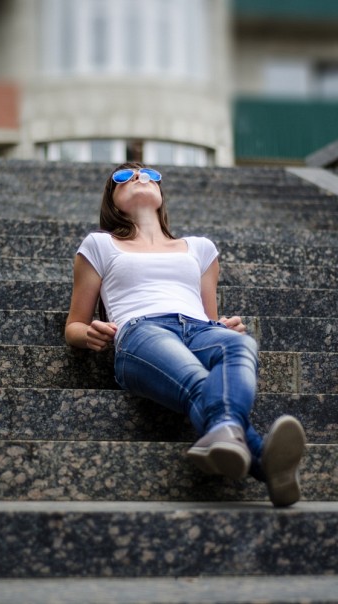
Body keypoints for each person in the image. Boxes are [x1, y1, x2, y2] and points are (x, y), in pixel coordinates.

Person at [65, 162, 306, 507]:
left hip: (200, 329)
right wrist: (89, 333)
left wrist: (222, 326)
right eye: (124, 176)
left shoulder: (200, 249)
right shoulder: (99, 245)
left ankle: (257, 460)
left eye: (149, 175)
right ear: (112, 200)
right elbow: (73, 325)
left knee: (240, 344)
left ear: (160, 193)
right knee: (199, 381)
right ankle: (260, 458)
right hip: (140, 331)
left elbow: (209, 317)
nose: (139, 177)